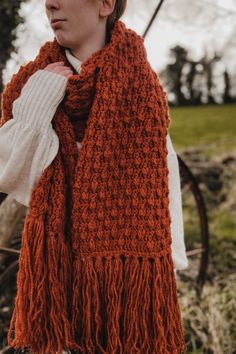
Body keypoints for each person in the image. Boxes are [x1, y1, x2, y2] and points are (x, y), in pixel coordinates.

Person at [0, 0, 188, 352]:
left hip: (123, 291)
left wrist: (163, 269)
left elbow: (166, 179)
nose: (50, 4)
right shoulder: (34, 83)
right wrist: (37, 103)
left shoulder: (141, 94)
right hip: (57, 286)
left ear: (105, 4)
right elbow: (7, 172)